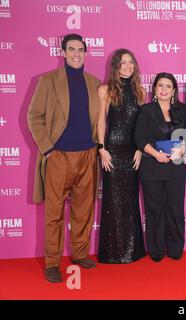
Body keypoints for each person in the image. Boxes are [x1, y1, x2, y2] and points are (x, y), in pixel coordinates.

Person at [27, 33, 101, 282]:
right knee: (54, 212)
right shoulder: (47, 81)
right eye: (71, 49)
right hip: (58, 156)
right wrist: (48, 149)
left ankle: (80, 254)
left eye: (81, 49)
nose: (76, 54)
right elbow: (34, 117)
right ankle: (51, 262)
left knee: (84, 210)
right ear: (63, 52)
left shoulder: (95, 83)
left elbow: (100, 121)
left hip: (88, 155)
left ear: (86, 52)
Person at [97, 49, 147, 264]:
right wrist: (101, 148)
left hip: (133, 152)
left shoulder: (141, 92)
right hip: (112, 151)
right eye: (123, 62)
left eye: (131, 62)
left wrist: (140, 149)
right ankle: (112, 252)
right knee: (112, 200)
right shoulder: (105, 90)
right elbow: (101, 120)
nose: (127, 66)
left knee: (131, 200)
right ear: (115, 66)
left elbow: (142, 125)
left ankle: (133, 251)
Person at [135, 72, 186, 262]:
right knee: (154, 210)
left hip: (176, 166)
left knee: (175, 209)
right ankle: (156, 250)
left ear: (174, 90)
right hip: (152, 166)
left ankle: (175, 249)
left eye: (168, 86)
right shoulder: (146, 110)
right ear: (154, 89)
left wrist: (182, 149)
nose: (164, 89)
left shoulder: (182, 109)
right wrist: (156, 154)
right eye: (160, 85)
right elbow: (139, 138)